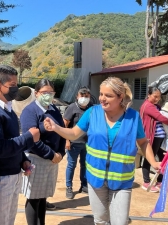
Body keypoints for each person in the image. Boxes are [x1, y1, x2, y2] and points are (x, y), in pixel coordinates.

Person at [44, 77, 160, 225]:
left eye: (108, 95)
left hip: (121, 181)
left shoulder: (133, 117)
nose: (102, 99)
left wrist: (153, 162)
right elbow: (73, 133)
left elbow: (143, 143)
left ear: (120, 97)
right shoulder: (92, 113)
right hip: (95, 179)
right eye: (101, 94)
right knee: (100, 221)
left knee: (120, 222)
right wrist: (56, 128)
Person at [0, 65, 40, 225]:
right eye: (12, 86)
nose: (16, 89)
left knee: (8, 221)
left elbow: (11, 139)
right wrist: (28, 138)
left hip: (12, 176)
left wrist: (22, 159)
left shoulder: (8, 110)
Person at [20, 78, 65, 225]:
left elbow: (61, 130)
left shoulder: (54, 110)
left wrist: (61, 153)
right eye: (44, 92)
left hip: (52, 160)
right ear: (37, 93)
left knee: (43, 197)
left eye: (51, 92)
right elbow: (31, 140)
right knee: (33, 198)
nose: (48, 95)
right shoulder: (30, 111)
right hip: (36, 159)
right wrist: (51, 154)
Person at [140, 86, 168, 192]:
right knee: (150, 159)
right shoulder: (148, 106)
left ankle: (160, 181)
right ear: (149, 95)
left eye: (159, 97)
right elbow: (160, 117)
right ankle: (146, 182)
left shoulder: (156, 106)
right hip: (152, 137)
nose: (157, 99)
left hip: (160, 137)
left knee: (162, 159)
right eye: (155, 96)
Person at [63, 86, 92, 199]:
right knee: (71, 165)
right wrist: (67, 140)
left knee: (85, 165)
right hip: (74, 143)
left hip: (87, 144)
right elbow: (64, 125)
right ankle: (69, 187)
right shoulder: (72, 108)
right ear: (77, 97)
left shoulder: (91, 108)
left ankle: (83, 185)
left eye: (87, 96)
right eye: (82, 96)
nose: (84, 98)